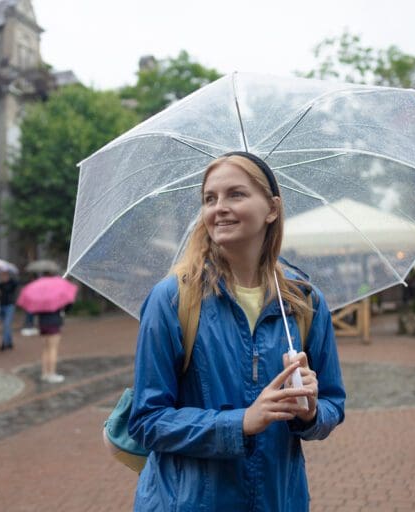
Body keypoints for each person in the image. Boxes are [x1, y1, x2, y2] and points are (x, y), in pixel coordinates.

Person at [127, 153, 346, 511]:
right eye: (209, 198)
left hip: (280, 500)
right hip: (187, 502)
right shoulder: (172, 299)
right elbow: (147, 421)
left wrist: (309, 413)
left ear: (272, 208)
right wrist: (240, 422)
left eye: (236, 195)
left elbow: (333, 405)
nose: (220, 208)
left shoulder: (305, 302)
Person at [37, 309, 64, 383]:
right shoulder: (57, 299)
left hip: (42, 323)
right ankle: (51, 373)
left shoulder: (41, 298)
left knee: (45, 349)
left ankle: (44, 373)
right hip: (54, 323)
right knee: (53, 349)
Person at [0, 271, 18, 350]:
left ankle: (4, 343)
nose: (3, 277)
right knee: (6, 326)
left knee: (6, 324)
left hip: (10, 306)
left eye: (4, 276)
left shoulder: (12, 283)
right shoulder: (0, 284)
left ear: (7, 276)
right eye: (2, 276)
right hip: (2, 306)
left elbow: (11, 289)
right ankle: (10, 342)